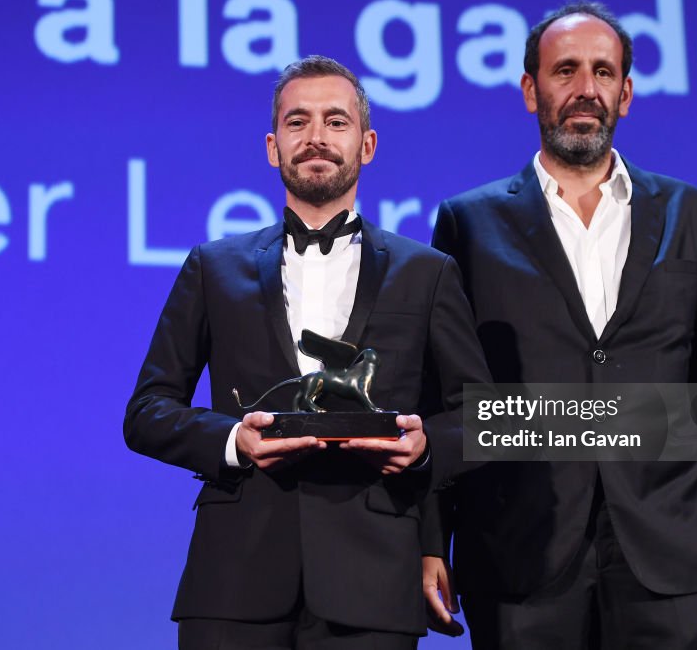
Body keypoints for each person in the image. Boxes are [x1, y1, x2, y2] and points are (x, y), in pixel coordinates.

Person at [124, 55, 490, 649]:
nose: (316, 137)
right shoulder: (213, 267)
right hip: (234, 582)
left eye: (335, 121)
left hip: (373, 583)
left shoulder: (428, 273)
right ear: (272, 147)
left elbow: (482, 418)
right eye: (298, 122)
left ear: (367, 144)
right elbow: (146, 411)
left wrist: (425, 452)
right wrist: (232, 443)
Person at [423, 0, 697, 649]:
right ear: (530, 89)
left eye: (602, 72)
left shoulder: (696, 216)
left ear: (625, 94)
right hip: (519, 548)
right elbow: (442, 394)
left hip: (673, 551)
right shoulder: (468, 222)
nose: (585, 89)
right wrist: (432, 538)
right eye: (565, 70)